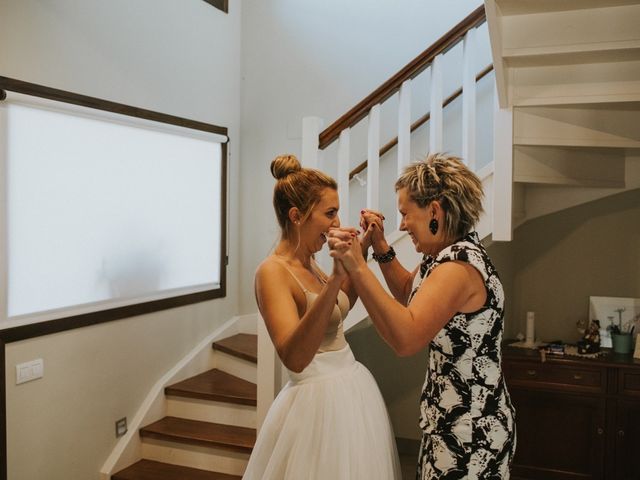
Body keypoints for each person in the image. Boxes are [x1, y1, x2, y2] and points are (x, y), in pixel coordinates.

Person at [328, 153, 516, 479]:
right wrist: (380, 246)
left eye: (405, 214)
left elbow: (407, 338)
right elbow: (408, 292)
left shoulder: (459, 266)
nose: (401, 224)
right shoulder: (440, 255)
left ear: (434, 211)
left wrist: (357, 267)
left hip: (470, 430)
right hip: (448, 420)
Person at [243, 154, 401, 480]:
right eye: (329, 213)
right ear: (297, 216)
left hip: (352, 389)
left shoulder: (310, 261)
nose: (337, 221)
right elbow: (295, 357)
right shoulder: (272, 272)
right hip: (316, 405)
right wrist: (335, 277)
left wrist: (366, 249)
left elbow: (338, 309)